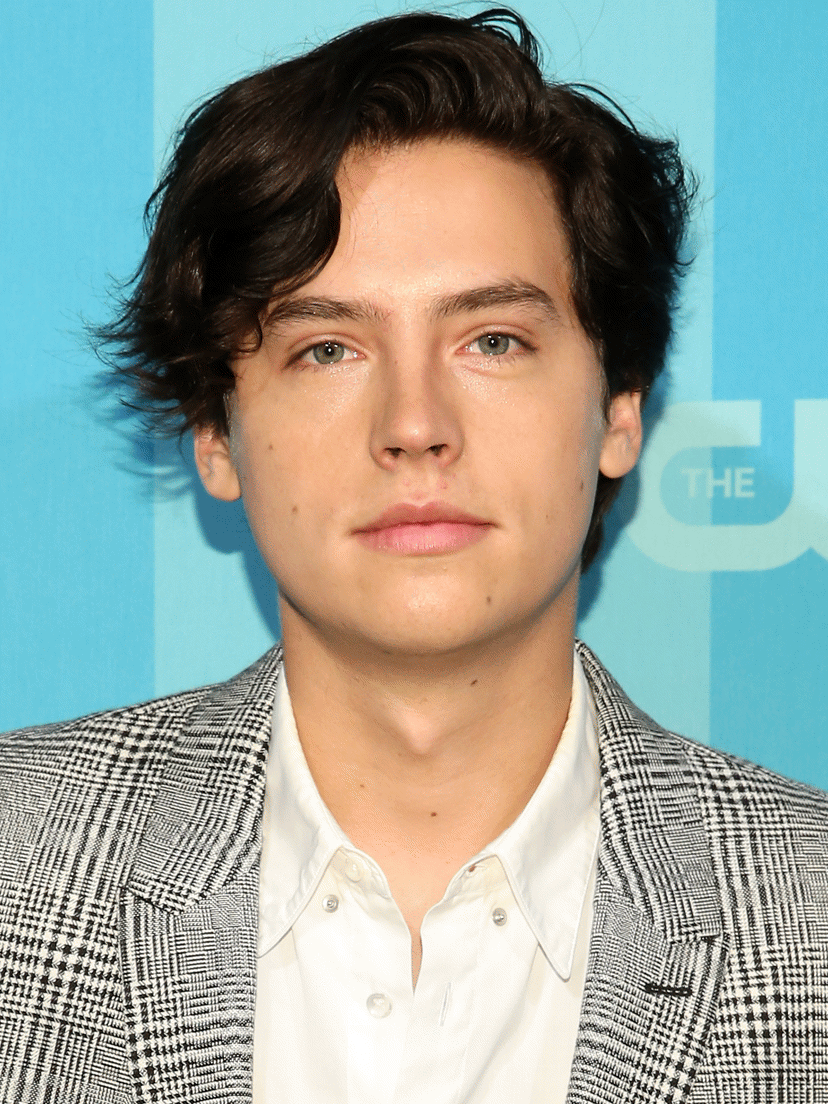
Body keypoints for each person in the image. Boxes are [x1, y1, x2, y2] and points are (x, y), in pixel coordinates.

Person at [1, 9, 826, 1102]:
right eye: (327, 348)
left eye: (493, 340)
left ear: (620, 409)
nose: (415, 425)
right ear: (215, 435)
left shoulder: (807, 919)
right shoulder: (19, 869)